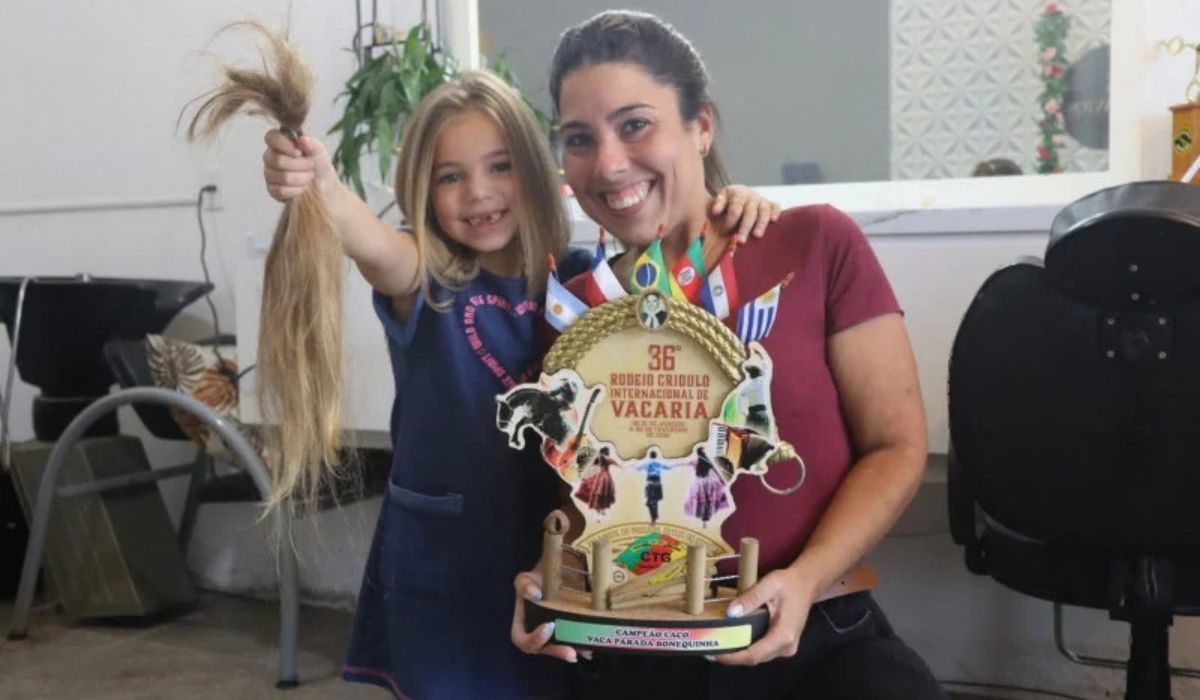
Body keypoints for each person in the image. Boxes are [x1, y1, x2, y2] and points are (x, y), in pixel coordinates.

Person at [260, 68, 781, 699]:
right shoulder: (428, 280)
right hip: (445, 574)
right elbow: (375, 246)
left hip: (555, 560)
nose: (478, 193)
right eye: (450, 176)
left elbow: (684, 249)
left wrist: (739, 204)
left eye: (500, 166)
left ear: (536, 172)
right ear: (423, 191)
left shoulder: (596, 282)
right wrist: (323, 187)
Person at [511, 11, 946, 700]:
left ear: (701, 125)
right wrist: (548, 578)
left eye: (634, 124)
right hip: (635, 642)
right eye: (578, 139)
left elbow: (896, 445)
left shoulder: (813, 245)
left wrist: (803, 582)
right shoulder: (573, 305)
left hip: (819, 632)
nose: (609, 163)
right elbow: (583, 491)